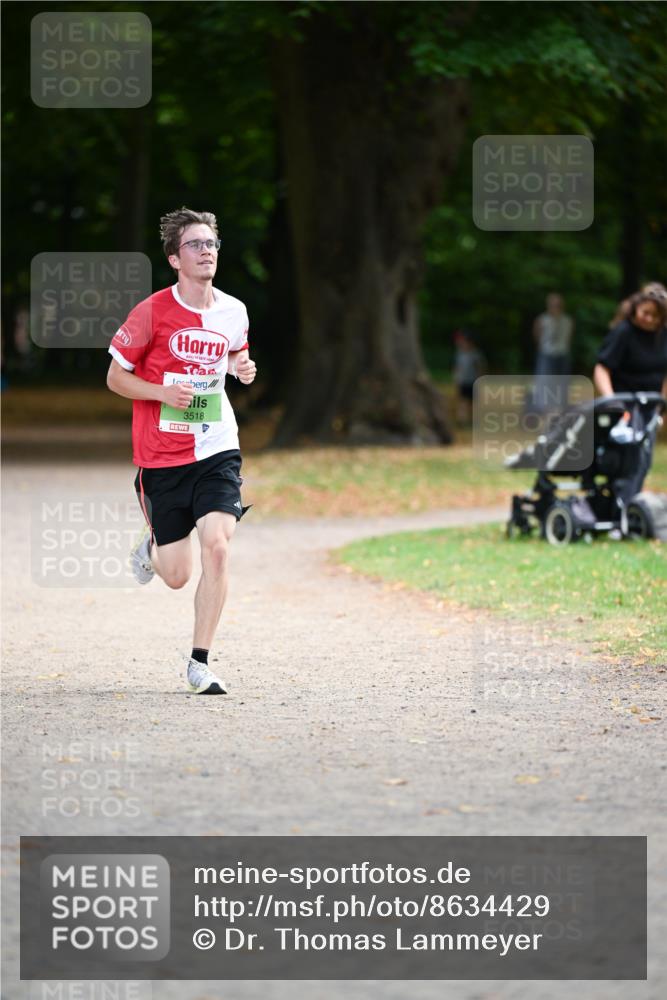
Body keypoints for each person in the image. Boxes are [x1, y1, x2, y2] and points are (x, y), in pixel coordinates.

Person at [106, 207, 257, 695]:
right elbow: (115, 377)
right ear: (174, 258)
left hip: (217, 446)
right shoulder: (150, 312)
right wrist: (160, 393)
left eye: (211, 244)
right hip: (161, 457)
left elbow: (233, 350)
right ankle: (153, 547)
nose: (206, 251)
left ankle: (200, 661)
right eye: (195, 244)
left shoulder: (233, 310)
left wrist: (242, 367)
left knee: (217, 546)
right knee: (176, 575)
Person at [593, 289, 667, 397]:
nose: (649, 319)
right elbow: (602, 369)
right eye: (646, 313)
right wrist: (612, 401)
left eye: (655, 315)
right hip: (624, 404)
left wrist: (663, 406)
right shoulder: (624, 331)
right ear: (637, 307)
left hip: (653, 405)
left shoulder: (663, 334)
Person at [531, 293, 574, 412]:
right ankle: (543, 406)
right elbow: (536, 335)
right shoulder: (542, 319)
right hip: (546, 353)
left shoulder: (567, 320)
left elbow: (569, 337)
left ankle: (562, 405)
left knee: (563, 381)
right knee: (544, 380)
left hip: (563, 353)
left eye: (557, 304)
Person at [452, 329, 485, 426]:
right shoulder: (460, 354)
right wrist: (456, 378)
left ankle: (473, 421)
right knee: (462, 402)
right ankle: (461, 420)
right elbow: (457, 368)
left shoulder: (475, 355)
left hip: (472, 382)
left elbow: (480, 368)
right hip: (463, 382)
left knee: (471, 403)